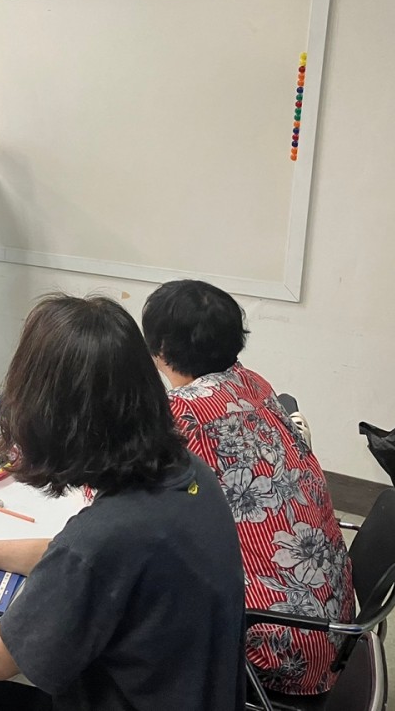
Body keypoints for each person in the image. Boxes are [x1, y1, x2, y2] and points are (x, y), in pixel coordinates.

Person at [0, 295, 246, 710]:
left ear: (47, 415)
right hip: (196, 693)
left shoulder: (103, 539)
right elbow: (65, 555)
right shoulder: (186, 470)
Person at [142, 279, 353, 697]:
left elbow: (114, 503)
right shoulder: (252, 382)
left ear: (160, 347)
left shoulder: (182, 412)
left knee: (132, 594)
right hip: (334, 624)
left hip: (277, 641)